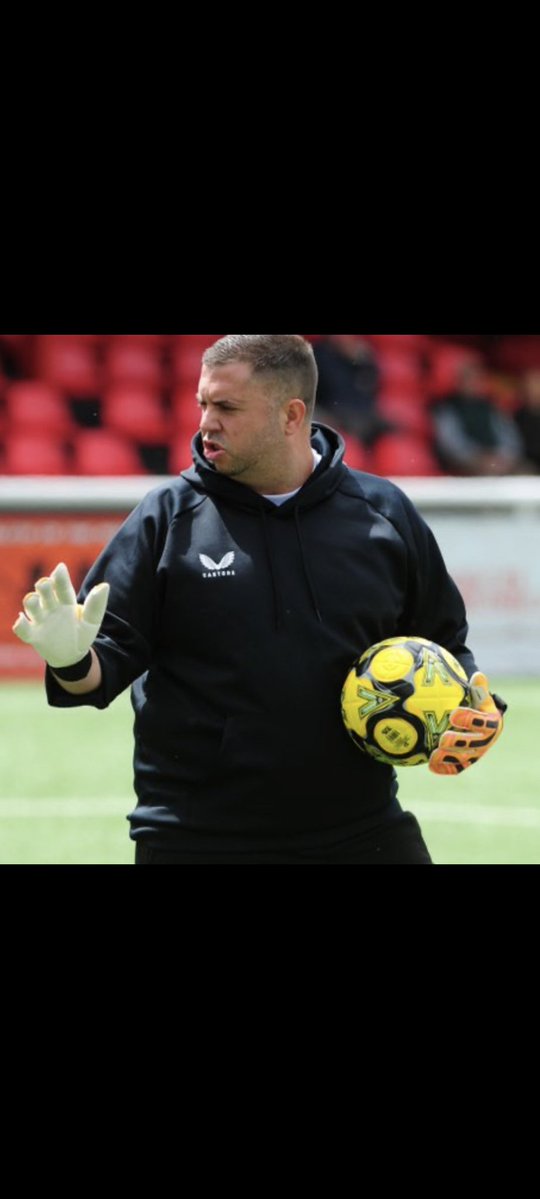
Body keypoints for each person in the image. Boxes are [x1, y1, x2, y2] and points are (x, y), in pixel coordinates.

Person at [12, 335, 506, 865]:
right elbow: (98, 671)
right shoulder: (166, 518)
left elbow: (445, 643)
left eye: (225, 407)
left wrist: (473, 707)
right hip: (196, 839)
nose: (205, 422)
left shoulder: (383, 512)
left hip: (360, 830)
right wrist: (69, 658)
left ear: (291, 416)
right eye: (203, 403)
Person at [432, 361, 525, 475]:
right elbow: (451, 443)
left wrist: (504, 456)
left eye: (476, 379)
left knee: (526, 472)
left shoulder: (491, 406)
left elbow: (508, 435)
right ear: (458, 382)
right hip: (467, 462)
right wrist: (478, 457)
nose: (472, 383)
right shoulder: (446, 408)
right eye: (468, 379)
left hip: (498, 460)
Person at [313, 334, 395, 449]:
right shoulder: (318, 356)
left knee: (393, 431)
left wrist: (361, 361)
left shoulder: (362, 360)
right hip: (334, 415)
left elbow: (371, 389)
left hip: (362, 413)